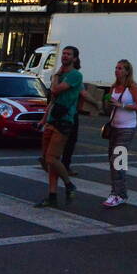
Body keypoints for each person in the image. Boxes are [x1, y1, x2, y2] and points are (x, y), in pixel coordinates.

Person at [37, 45, 81, 207]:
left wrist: (56, 75)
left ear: (74, 59)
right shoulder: (61, 74)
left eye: (69, 54)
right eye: (64, 53)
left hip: (64, 120)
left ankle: (69, 184)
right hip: (52, 119)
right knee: (48, 160)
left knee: (51, 157)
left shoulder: (75, 75)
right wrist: (43, 119)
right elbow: (53, 100)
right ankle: (52, 195)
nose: (65, 56)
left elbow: (55, 90)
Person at [104, 59, 137, 207]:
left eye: (120, 68)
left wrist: (123, 105)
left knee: (118, 160)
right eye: (116, 68)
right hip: (114, 126)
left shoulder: (131, 87)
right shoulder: (114, 87)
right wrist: (108, 104)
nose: (117, 70)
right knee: (113, 160)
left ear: (127, 71)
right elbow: (110, 108)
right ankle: (120, 192)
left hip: (127, 127)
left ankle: (117, 194)